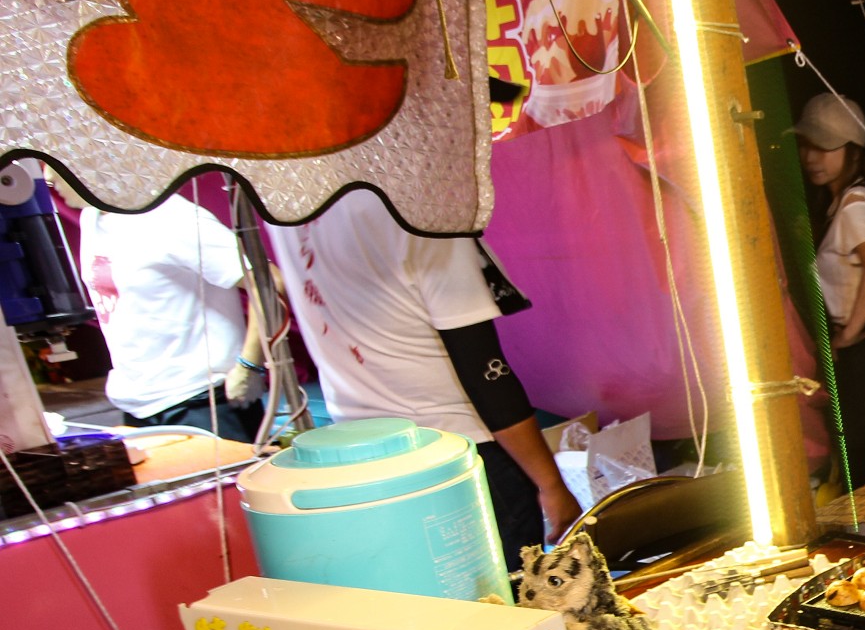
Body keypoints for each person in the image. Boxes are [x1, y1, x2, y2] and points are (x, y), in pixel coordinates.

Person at [274, 188, 580, 564]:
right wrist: (550, 483)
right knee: (506, 603)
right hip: (461, 450)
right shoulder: (424, 216)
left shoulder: (285, 211)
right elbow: (485, 373)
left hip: (364, 452)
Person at [52, 175, 268, 440]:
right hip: (138, 405)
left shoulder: (169, 217)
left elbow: (267, 282)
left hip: (201, 400)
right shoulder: (92, 218)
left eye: (53, 166)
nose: (49, 178)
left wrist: (250, 365)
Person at [794, 93, 865, 489]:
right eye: (807, 144)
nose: (812, 156)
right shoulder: (853, 196)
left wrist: (850, 332)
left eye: (825, 146)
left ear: (853, 149)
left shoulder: (856, 203)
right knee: (864, 453)